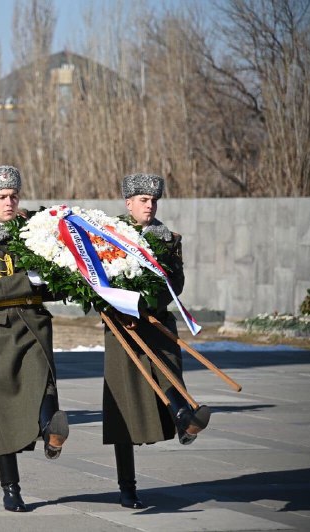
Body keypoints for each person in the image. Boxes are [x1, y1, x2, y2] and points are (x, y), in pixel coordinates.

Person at [0, 166, 69, 513]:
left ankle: (51, 431)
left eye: (14, 196)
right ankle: (11, 488)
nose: (9, 203)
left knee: (45, 387)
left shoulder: (31, 236)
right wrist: (29, 280)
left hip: (35, 324)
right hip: (1, 332)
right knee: (5, 412)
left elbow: (47, 284)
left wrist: (63, 281)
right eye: (2, 198)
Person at [102, 173, 211, 509]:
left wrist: (145, 302)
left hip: (155, 321)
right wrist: (118, 303)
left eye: (153, 201)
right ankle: (127, 487)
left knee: (169, 380)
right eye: (143, 200)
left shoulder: (168, 238)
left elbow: (174, 283)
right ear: (128, 203)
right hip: (122, 329)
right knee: (124, 408)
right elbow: (93, 278)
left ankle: (184, 421)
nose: (149, 206)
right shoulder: (106, 236)